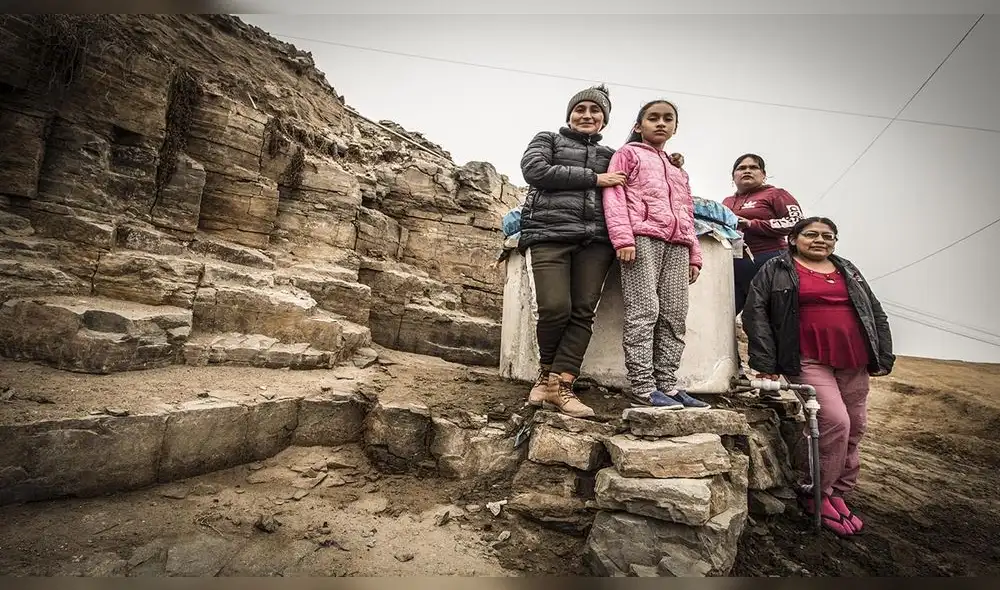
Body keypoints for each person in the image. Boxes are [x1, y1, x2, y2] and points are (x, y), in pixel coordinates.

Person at [742, 216, 894, 536]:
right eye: (811, 234)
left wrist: (883, 355)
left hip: (853, 358)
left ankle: (838, 492)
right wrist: (765, 361)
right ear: (794, 238)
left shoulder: (848, 269)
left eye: (828, 235)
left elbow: (873, 310)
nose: (820, 240)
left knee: (856, 425)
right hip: (807, 357)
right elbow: (756, 312)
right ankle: (815, 492)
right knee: (834, 421)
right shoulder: (777, 269)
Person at [602, 100, 710, 410]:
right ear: (639, 126)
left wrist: (694, 254)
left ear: (675, 127)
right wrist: (623, 238)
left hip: (677, 244)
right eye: (653, 118)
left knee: (674, 315)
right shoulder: (627, 154)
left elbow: (686, 212)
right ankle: (643, 386)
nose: (660, 123)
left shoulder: (677, 168)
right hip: (641, 239)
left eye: (667, 119)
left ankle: (668, 386)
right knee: (644, 310)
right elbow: (614, 195)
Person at [722, 154, 803, 315]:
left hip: (769, 260)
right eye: (741, 168)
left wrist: (752, 224)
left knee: (774, 315)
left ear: (763, 175)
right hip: (734, 266)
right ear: (733, 177)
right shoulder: (727, 202)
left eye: (753, 167)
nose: (747, 171)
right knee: (728, 316)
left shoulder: (776, 194)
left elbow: (797, 222)